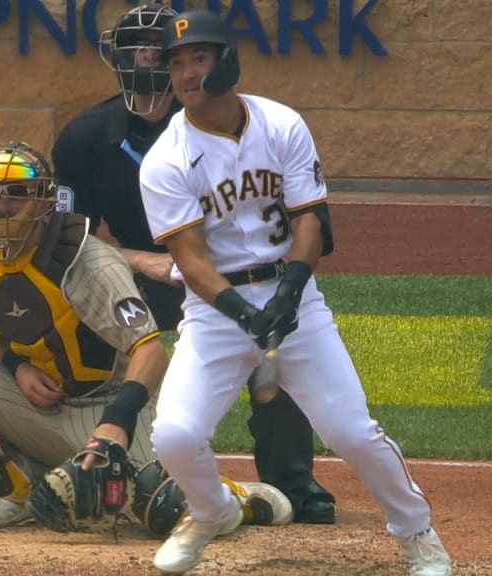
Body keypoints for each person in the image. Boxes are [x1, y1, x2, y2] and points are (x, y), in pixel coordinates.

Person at [139, 9, 452, 576]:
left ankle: (418, 535)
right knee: (175, 436)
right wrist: (239, 310)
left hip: (295, 301)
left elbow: (312, 220)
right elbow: (189, 258)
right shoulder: (165, 159)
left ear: (225, 61)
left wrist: (290, 292)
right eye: (177, 63)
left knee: (351, 432)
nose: (185, 74)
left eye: (197, 59)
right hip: (215, 314)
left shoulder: (280, 123)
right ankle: (212, 510)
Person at [0, 141, 291, 533]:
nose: (1, 204)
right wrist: (17, 369)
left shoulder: (88, 263)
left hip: (111, 410)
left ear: (43, 204)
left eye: (16, 193)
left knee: (161, 504)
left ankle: (234, 496)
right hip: (41, 410)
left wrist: (114, 425)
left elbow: (150, 352)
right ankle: (16, 491)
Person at [52, 1, 335, 525]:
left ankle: (291, 478)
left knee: (276, 337)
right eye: (138, 53)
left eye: (160, 53)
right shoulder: (85, 136)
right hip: (140, 278)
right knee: (81, 322)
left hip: (223, 271)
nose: (151, 64)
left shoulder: (222, 122)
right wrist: (145, 261)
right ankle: (99, 459)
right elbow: (71, 236)